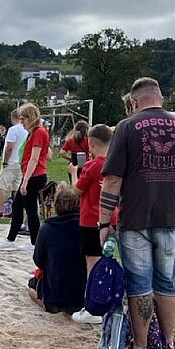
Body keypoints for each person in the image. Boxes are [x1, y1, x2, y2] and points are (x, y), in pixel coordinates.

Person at [99, 77, 175, 349]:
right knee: (167, 281)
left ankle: (143, 347)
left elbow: (111, 179)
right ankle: (169, 345)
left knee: (139, 284)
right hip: (171, 216)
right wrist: (174, 168)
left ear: (134, 102)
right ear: (160, 98)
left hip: (136, 217)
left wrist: (103, 223)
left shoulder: (126, 127)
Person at [68, 123, 113, 324]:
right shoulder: (115, 163)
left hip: (89, 220)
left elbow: (76, 190)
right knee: (104, 263)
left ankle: (93, 308)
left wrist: (73, 173)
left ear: (92, 144)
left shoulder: (93, 165)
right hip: (109, 219)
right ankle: (102, 303)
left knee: (92, 265)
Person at [0, 103, 50, 252]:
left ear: (30, 118)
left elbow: (34, 159)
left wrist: (25, 181)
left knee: (30, 209)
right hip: (34, 174)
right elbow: (48, 154)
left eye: (23, 119)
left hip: (34, 175)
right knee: (18, 206)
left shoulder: (38, 132)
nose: (21, 123)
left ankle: (33, 242)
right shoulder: (36, 132)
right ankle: (13, 239)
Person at [29, 184, 86, 314]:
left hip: (55, 295)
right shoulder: (86, 227)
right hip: (82, 295)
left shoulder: (47, 228)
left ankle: (43, 302)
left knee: (31, 287)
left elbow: (38, 260)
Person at [0, 109, 28, 219]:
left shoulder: (13, 130)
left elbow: (10, 147)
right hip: (21, 162)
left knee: (1, 186)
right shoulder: (27, 130)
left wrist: (5, 161)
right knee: (16, 187)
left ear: (13, 118)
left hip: (11, 162)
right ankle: (16, 210)